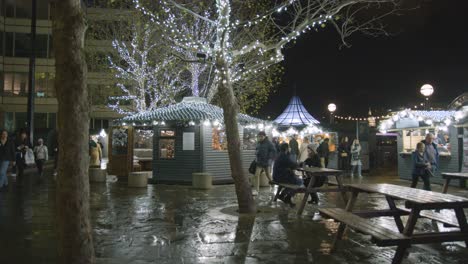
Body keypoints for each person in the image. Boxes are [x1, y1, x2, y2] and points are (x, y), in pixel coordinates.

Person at [273, 143, 303, 207]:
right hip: (281, 177)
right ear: (286, 148)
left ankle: (282, 195)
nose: (290, 148)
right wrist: (300, 164)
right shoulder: (284, 156)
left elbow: (289, 165)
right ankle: (287, 197)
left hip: (277, 176)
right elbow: (293, 165)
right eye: (289, 147)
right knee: (300, 182)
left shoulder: (280, 155)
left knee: (293, 180)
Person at [253, 131, 276, 196]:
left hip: (266, 162)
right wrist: (256, 152)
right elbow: (257, 149)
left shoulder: (269, 143)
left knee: (268, 174)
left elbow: (273, 151)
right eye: (259, 136)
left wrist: (269, 158)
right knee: (256, 175)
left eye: (261, 136)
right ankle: (256, 190)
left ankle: (273, 185)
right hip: (259, 162)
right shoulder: (259, 142)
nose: (260, 138)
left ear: (264, 136)